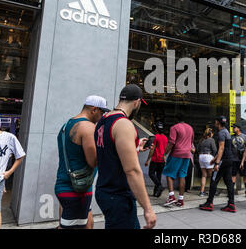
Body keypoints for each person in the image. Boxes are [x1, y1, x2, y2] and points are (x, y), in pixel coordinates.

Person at [95, 84, 156, 229]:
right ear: (136, 102)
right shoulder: (123, 124)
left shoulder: (103, 120)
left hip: (105, 191)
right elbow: (132, 171)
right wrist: (148, 209)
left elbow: (111, 153)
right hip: (118, 196)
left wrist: (135, 148)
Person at [54, 95, 108, 229]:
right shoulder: (89, 128)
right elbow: (93, 162)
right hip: (77, 190)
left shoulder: (66, 125)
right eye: (102, 112)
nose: (102, 116)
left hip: (64, 185)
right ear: (94, 109)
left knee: (77, 224)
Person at [199, 116, 237, 212]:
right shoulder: (226, 132)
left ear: (218, 123)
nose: (215, 123)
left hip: (223, 161)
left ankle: (209, 203)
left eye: (216, 121)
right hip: (229, 159)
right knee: (229, 182)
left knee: (214, 180)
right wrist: (214, 158)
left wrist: (216, 163)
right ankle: (231, 204)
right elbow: (225, 149)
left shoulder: (220, 133)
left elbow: (221, 148)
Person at [162, 113, 195, 208]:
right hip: (187, 155)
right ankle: (180, 199)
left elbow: (172, 142)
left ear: (176, 119)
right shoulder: (190, 128)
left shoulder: (174, 127)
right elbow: (191, 142)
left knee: (169, 174)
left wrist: (165, 153)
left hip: (176, 154)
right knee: (182, 175)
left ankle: (171, 196)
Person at [145, 121, 168, 198]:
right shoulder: (165, 137)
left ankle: (159, 186)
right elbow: (166, 149)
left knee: (151, 174)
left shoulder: (155, 137)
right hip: (162, 160)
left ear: (156, 129)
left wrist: (148, 160)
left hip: (155, 159)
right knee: (158, 175)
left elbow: (152, 149)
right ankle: (156, 193)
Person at [231, 124, 246, 199]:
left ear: (238, 128)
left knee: (245, 175)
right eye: (232, 128)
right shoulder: (231, 137)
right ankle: (231, 192)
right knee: (233, 175)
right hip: (234, 159)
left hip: (242, 159)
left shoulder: (245, 136)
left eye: (234, 128)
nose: (233, 129)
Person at [197, 128, 217, 197]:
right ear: (211, 134)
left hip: (201, 156)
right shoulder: (211, 140)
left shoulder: (201, 140)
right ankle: (213, 191)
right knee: (212, 175)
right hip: (208, 156)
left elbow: (198, 149)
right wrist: (214, 158)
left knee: (204, 175)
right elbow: (214, 150)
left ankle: (201, 191)